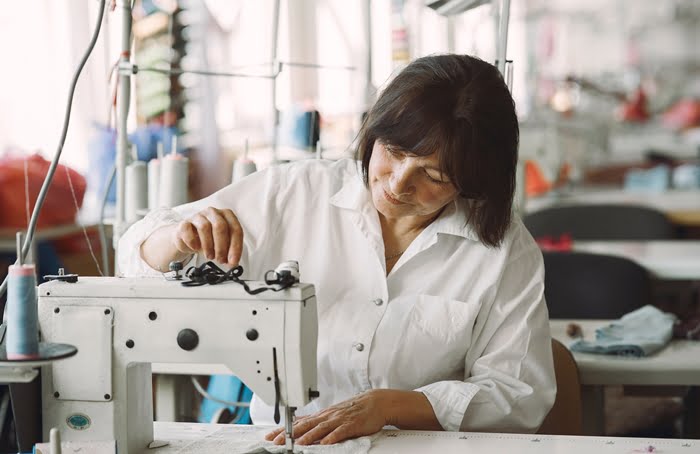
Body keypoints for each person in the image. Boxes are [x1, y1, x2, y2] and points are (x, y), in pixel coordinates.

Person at [118, 54, 556, 446]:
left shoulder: (502, 251)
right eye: (394, 151)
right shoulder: (293, 194)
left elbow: (518, 394)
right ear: (374, 130)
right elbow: (135, 259)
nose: (398, 183)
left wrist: (390, 406)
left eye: (434, 176)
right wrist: (176, 239)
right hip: (282, 440)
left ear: (474, 180)